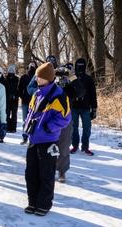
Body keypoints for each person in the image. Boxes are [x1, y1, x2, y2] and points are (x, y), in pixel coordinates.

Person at [24, 62, 71, 216]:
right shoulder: (37, 94)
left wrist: (48, 128)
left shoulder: (59, 95)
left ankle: (44, 204)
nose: (37, 79)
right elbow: (31, 112)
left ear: (48, 78)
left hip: (48, 141)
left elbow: (65, 118)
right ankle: (32, 202)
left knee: (46, 173)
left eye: (39, 77)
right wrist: (27, 126)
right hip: (33, 139)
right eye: (37, 76)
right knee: (31, 173)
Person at [70, 58, 97, 155]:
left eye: (82, 65)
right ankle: (75, 145)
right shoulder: (72, 78)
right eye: (78, 65)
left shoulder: (89, 79)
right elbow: (68, 92)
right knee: (74, 127)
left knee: (87, 128)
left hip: (86, 107)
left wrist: (94, 109)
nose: (80, 67)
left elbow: (93, 94)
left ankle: (85, 147)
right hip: (74, 107)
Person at [18, 61, 37, 145]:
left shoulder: (38, 77)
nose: (31, 67)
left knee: (34, 121)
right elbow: (19, 89)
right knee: (25, 121)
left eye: (33, 66)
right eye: (30, 65)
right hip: (25, 102)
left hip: (36, 103)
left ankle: (33, 138)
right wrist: (23, 96)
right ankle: (25, 137)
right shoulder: (24, 77)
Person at [0, 67, 8, 143]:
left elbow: (7, 92)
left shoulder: (5, 82)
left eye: (0, 73)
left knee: (2, 120)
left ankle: (1, 136)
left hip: (3, 103)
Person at [5, 64, 19, 133]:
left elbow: (18, 89)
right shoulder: (6, 79)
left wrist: (15, 96)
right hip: (7, 100)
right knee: (7, 114)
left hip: (14, 100)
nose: (11, 72)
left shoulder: (17, 79)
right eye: (10, 70)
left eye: (12, 70)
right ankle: (7, 127)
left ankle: (13, 128)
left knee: (14, 115)